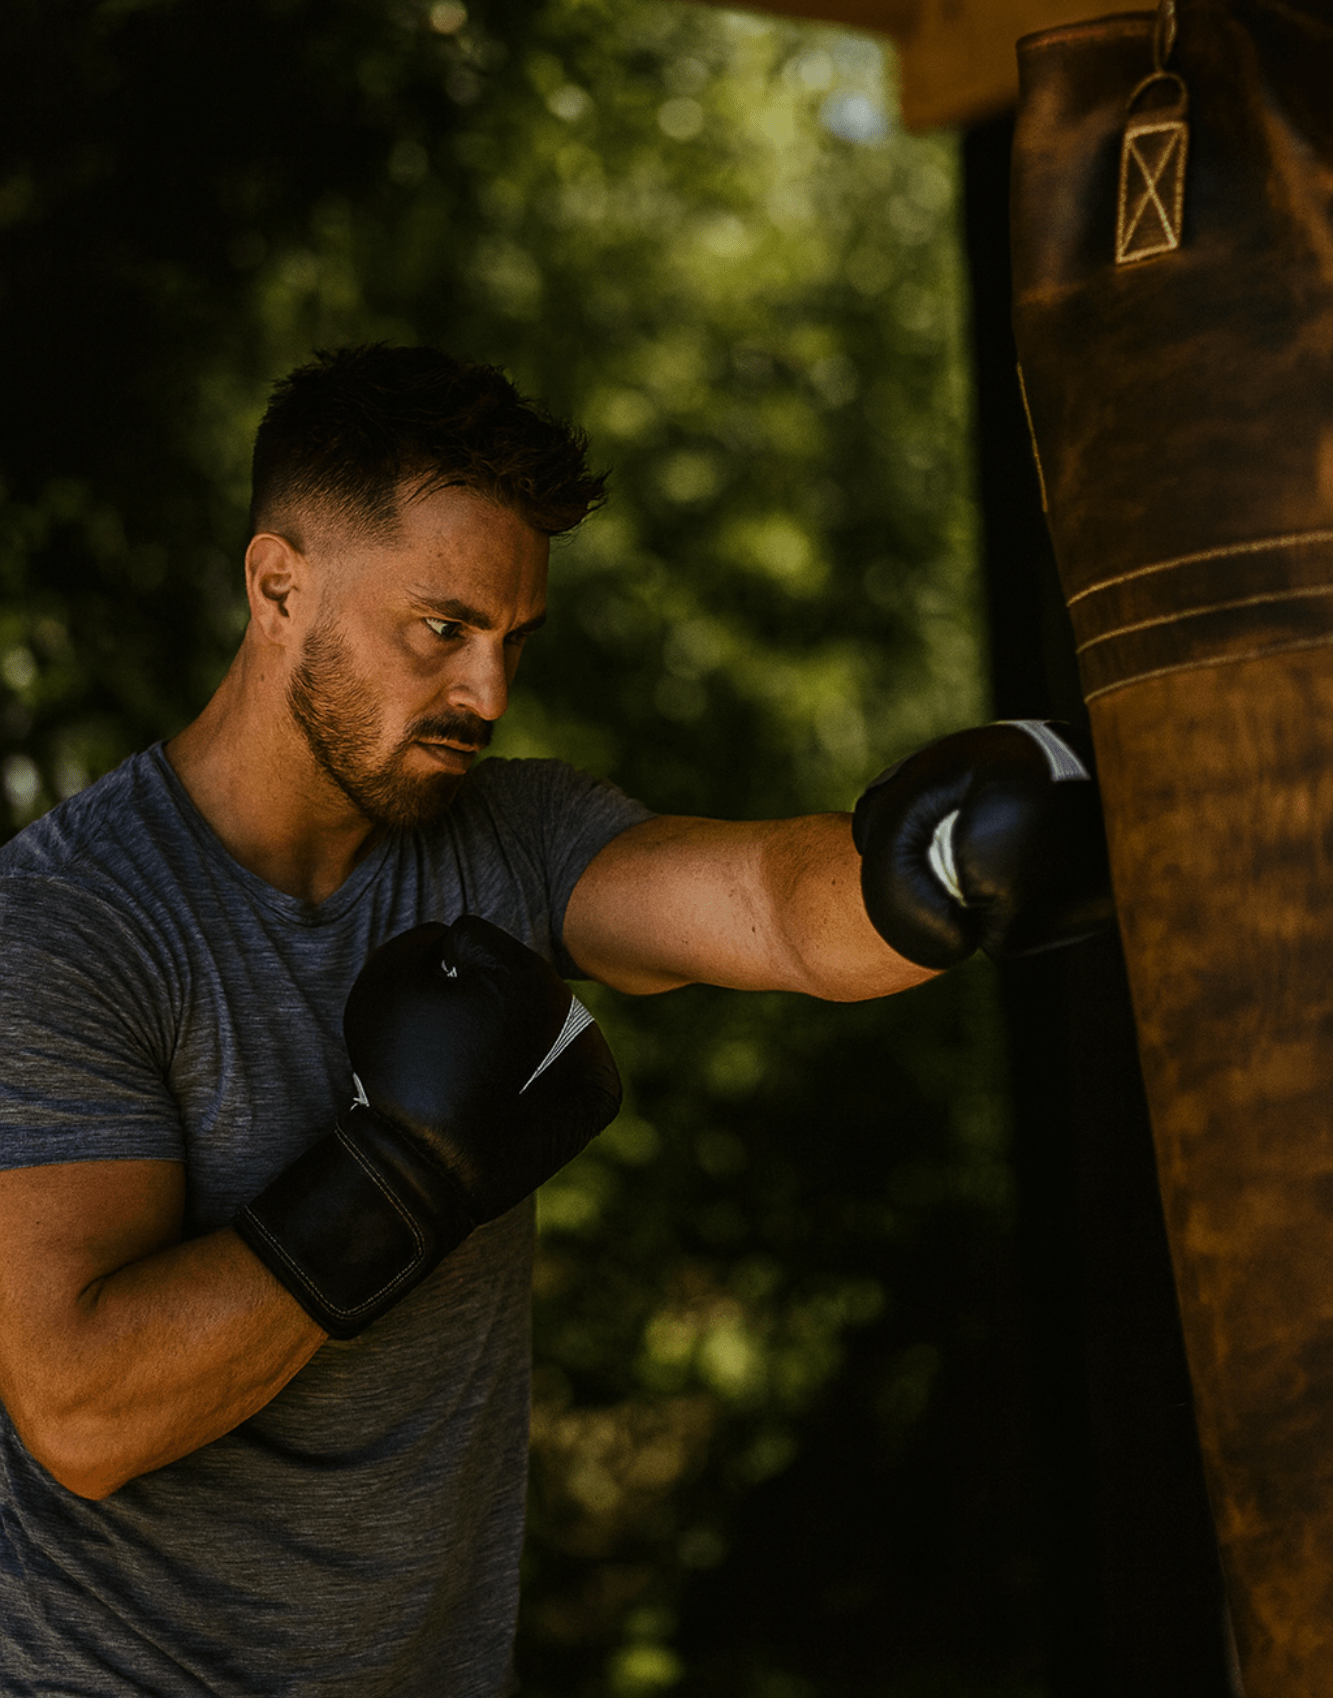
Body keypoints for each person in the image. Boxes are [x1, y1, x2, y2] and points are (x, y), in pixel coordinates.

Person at [0, 344, 1111, 1697]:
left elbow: (768, 907)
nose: (489, 694)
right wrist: (403, 1175)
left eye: (514, 640)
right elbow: (82, 1414)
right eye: (443, 628)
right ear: (279, 585)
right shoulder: (69, 925)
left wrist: (932, 868)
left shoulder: (511, 839)